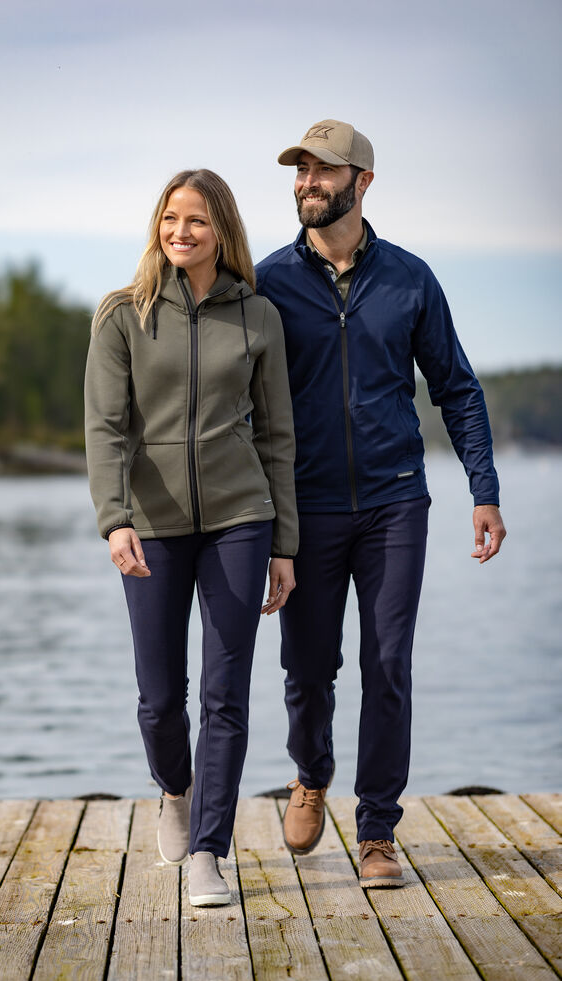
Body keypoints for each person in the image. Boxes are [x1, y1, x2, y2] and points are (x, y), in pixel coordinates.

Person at [256, 119, 506, 887]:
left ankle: (376, 832)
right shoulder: (267, 283)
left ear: (361, 182)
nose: (307, 182)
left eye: (322, 170)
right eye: (299, 170)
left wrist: (483, 490)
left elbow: (456, 388)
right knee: (307, 668)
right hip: (305, 509)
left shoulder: (409, 279)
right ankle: (310, 773)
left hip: (396, 501)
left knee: (388, 662)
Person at [84, 169, 298, 906]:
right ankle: (173, 790)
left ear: (222, 231)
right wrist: (114, 518)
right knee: (157, 697)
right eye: (171, 218)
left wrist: (284, 543)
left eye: (197, 220)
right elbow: (105, 429)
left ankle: (209, 850)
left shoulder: (257, 316)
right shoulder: (124, 314)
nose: (181, 231)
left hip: (241, 520)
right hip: (152, 524)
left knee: (225, 692)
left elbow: (276, 436)